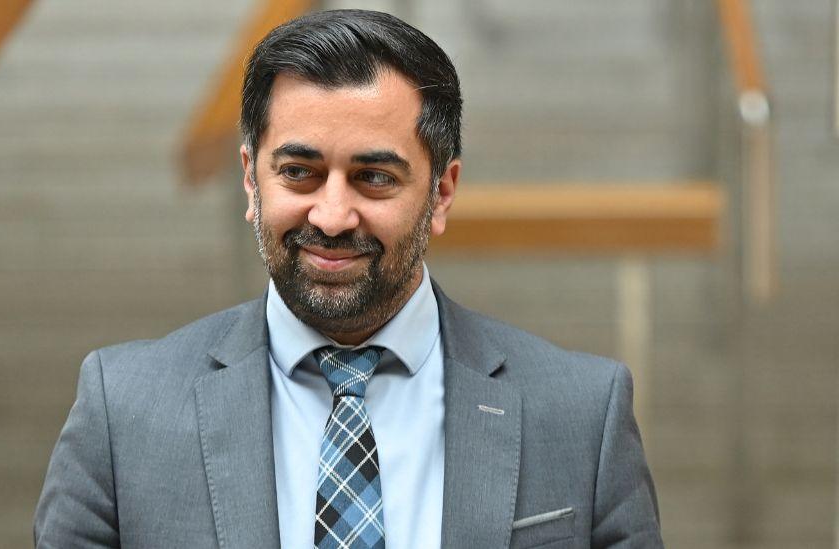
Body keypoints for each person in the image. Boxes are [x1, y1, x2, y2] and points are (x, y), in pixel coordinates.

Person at [34, 9, 663, 549]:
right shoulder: (123, 411)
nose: (332, 217)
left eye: (375, 178)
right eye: (300, 173)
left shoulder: (582, 415)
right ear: (252, 180)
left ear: (441, 192)